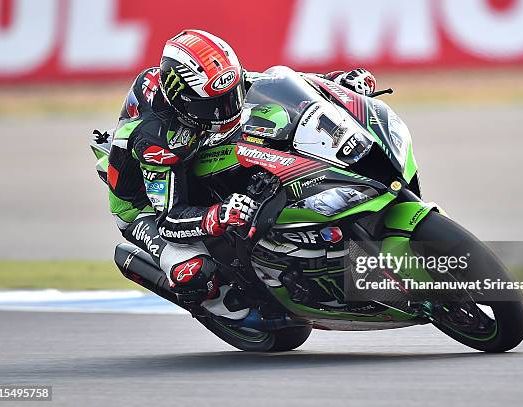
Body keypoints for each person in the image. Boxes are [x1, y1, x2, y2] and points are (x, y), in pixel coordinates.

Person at [106, 29, 377, 319]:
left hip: (197, 151)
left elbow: (274, 83)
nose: (228, 111)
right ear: (182, 103)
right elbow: (170, 220)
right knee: (194, 273)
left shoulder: (212, 86)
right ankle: (229, 304)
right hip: (144, 206)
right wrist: (218, 215)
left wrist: (336, 80)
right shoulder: (156, 140)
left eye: (230, 97)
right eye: (213, 105)